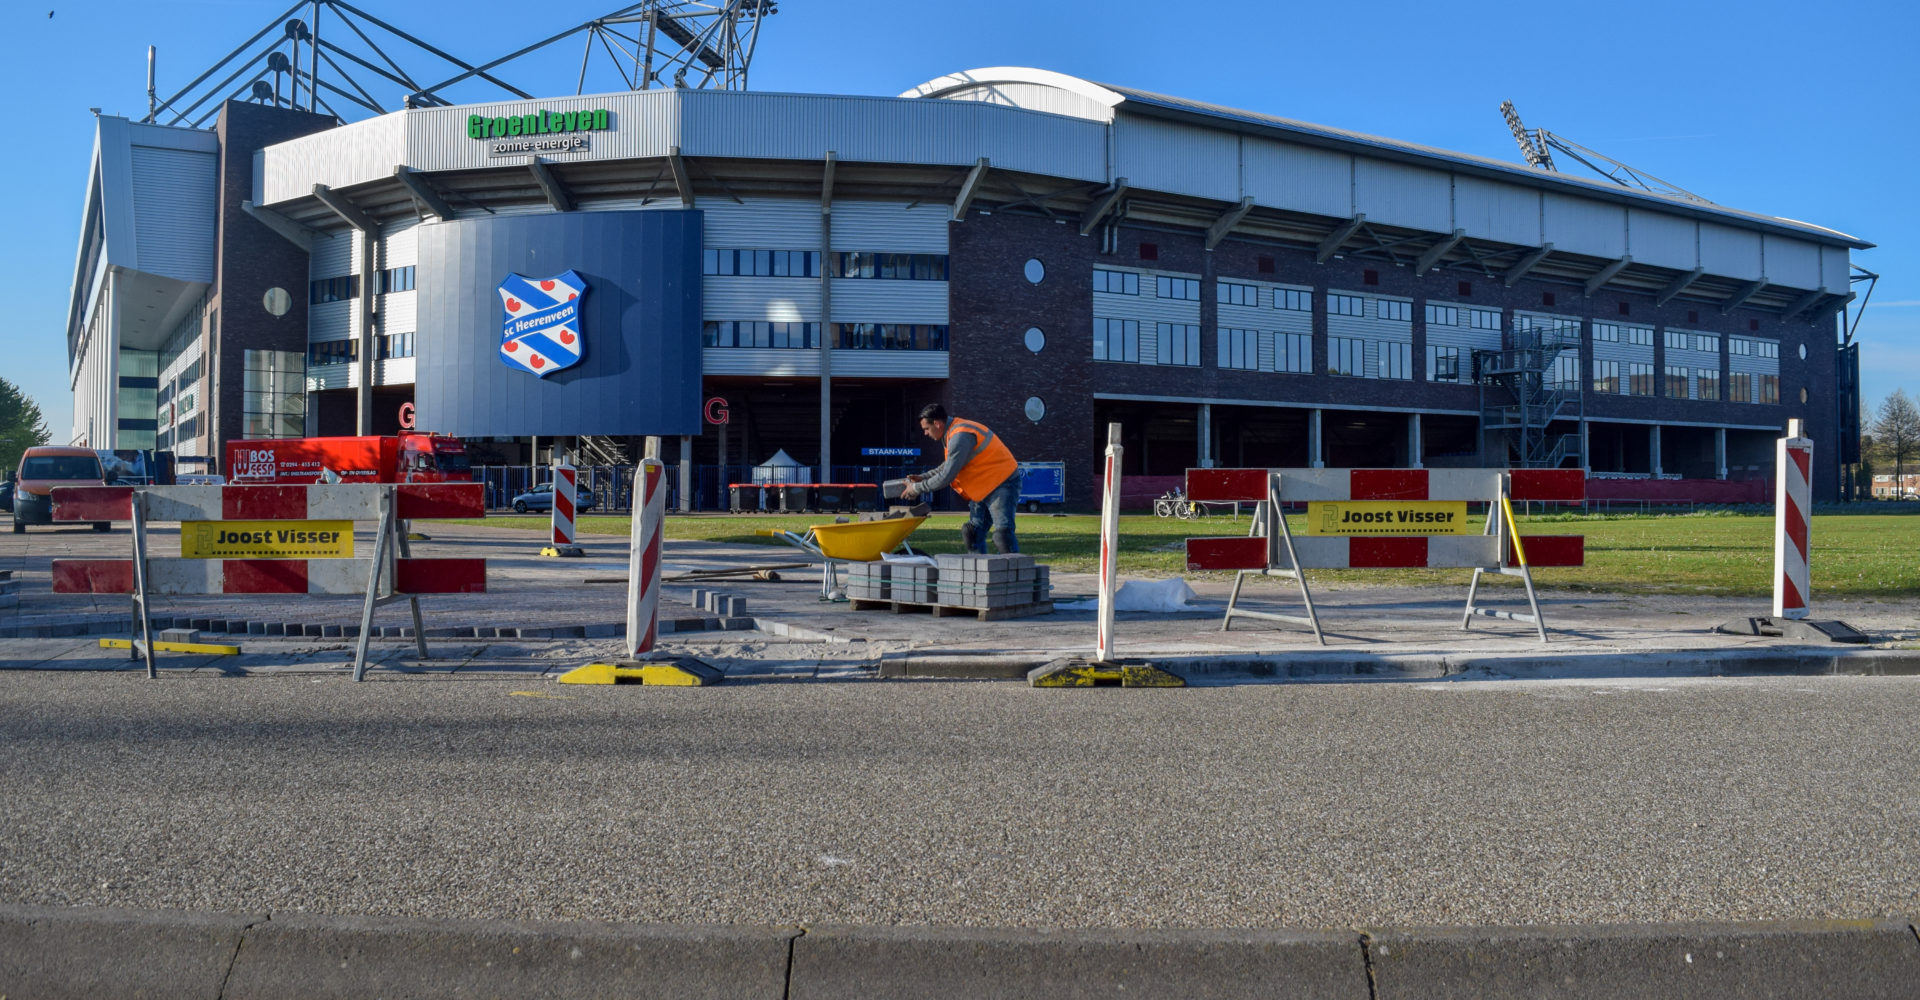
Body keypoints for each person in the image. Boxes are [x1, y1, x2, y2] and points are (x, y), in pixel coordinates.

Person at [901, 403, 1020, 554]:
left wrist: (916, 488)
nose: (925, 433)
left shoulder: (960, 436)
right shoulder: (952, 433)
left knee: (1003, 535)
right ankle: (977, 566)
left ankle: (1013, 566)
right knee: (972, 532)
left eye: (926, 428)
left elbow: (947, 475)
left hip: (1002, 482)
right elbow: (947, 466)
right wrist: (923, 478)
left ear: (937, 423)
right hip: (983, 485)